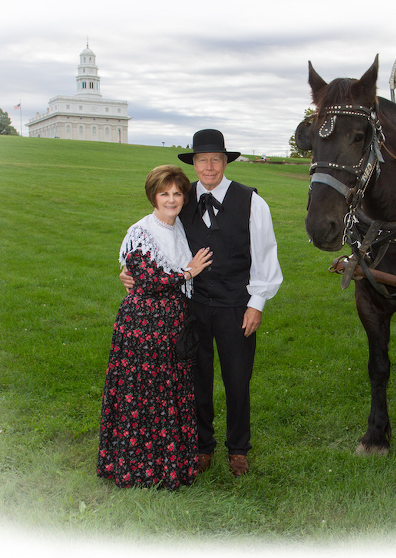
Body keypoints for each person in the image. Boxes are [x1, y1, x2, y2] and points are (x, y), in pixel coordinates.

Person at [121, 129, 282, 476]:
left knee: (237, 379)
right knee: (196, 378)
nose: (208, 167)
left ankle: (238, 448)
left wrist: (257, 303)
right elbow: (155, 236)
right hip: (190, 308)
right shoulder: (181, 198)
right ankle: (202, 444)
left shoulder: (252, 202)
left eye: (215, 159)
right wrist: (129, 269)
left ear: (225, 162)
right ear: (193, 163)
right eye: (201, 160)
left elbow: (265, 255)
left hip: (236, 306)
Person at [98, 165, 212, 490]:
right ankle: (139, 470)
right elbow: (148, 282)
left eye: (177, 193)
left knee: (170, 392)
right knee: (144, 392)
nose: (171, 199)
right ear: (153, 195)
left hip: (173, 323)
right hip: (143, 326)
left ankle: (168, 465)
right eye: (165, 193)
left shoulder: (178, 228)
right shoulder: (141, 232)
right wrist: (188, 273)